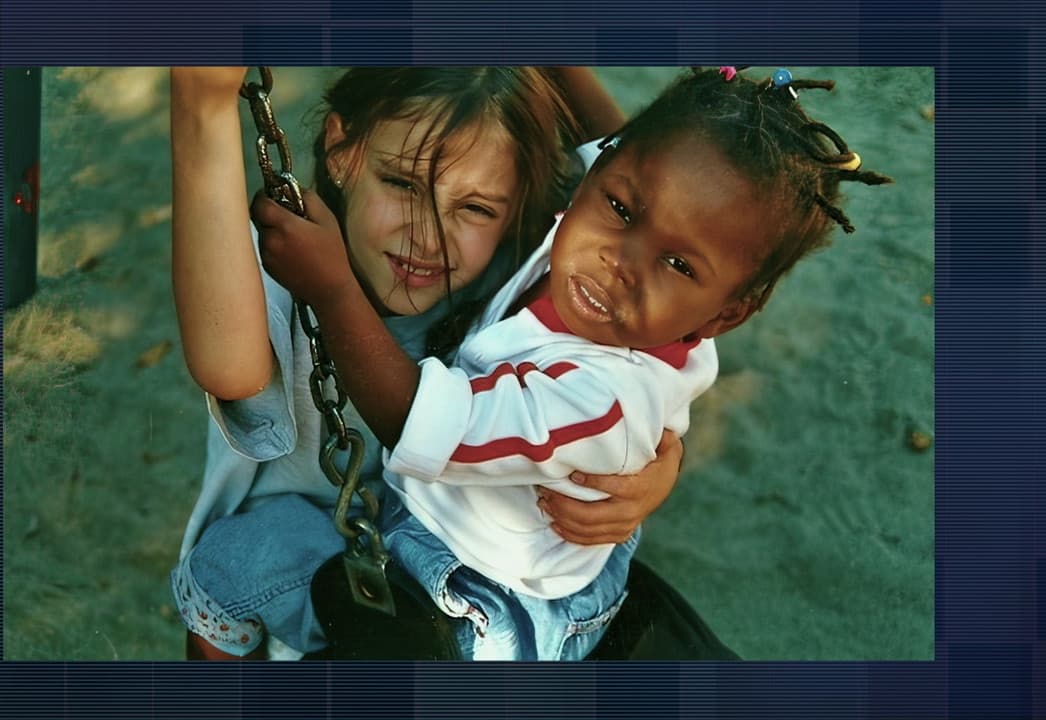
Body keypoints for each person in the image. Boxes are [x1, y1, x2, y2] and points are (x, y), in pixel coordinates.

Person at [254, 66, 892, 660]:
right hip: (483, 530)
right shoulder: (625, 217)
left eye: (677, 264)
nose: (621, 260)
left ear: (726, 315)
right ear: (601, 173)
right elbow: (620, 145)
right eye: (620, 208)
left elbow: (413, 419)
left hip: (489, 593)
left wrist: (332, 288)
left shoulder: (600, 394)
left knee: (246, 572)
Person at [169, 66, 686, 660]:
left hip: (458, 600)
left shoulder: (523, 278)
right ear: (342, 149)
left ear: (518, 206)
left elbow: (649, 205)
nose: (427, 238)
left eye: (474, 209)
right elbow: (227, 367)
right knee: (225, 568)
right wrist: (201, 100)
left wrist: (658, 458)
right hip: (311, 573)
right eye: (402, 184)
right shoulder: (286, 268)